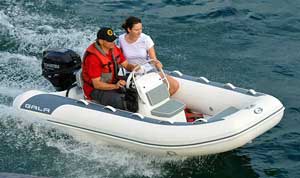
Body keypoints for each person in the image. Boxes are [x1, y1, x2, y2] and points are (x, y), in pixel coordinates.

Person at [119, 16, 179, 96]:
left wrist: (158, 64)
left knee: (174, 85)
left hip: (147, 70)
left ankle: (159, 101)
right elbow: (120, 58)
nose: (139, 32)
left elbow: (153, 59)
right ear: (129, 30)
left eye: (141, 29)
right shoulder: (121, 39)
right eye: (136, 30)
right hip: (130, 72)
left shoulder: (146, 39)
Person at [82, 27, 136, 110]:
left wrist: (133, 67)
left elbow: (126, 65)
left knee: (136, 84)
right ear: (101, 41)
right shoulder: (93, 58)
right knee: (122, 102)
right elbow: (97, 84)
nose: (112, 42)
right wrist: (115, 86)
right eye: (109, 41)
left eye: (113, 40)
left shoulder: (114, 49)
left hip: (113, 81)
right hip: (94, 89)